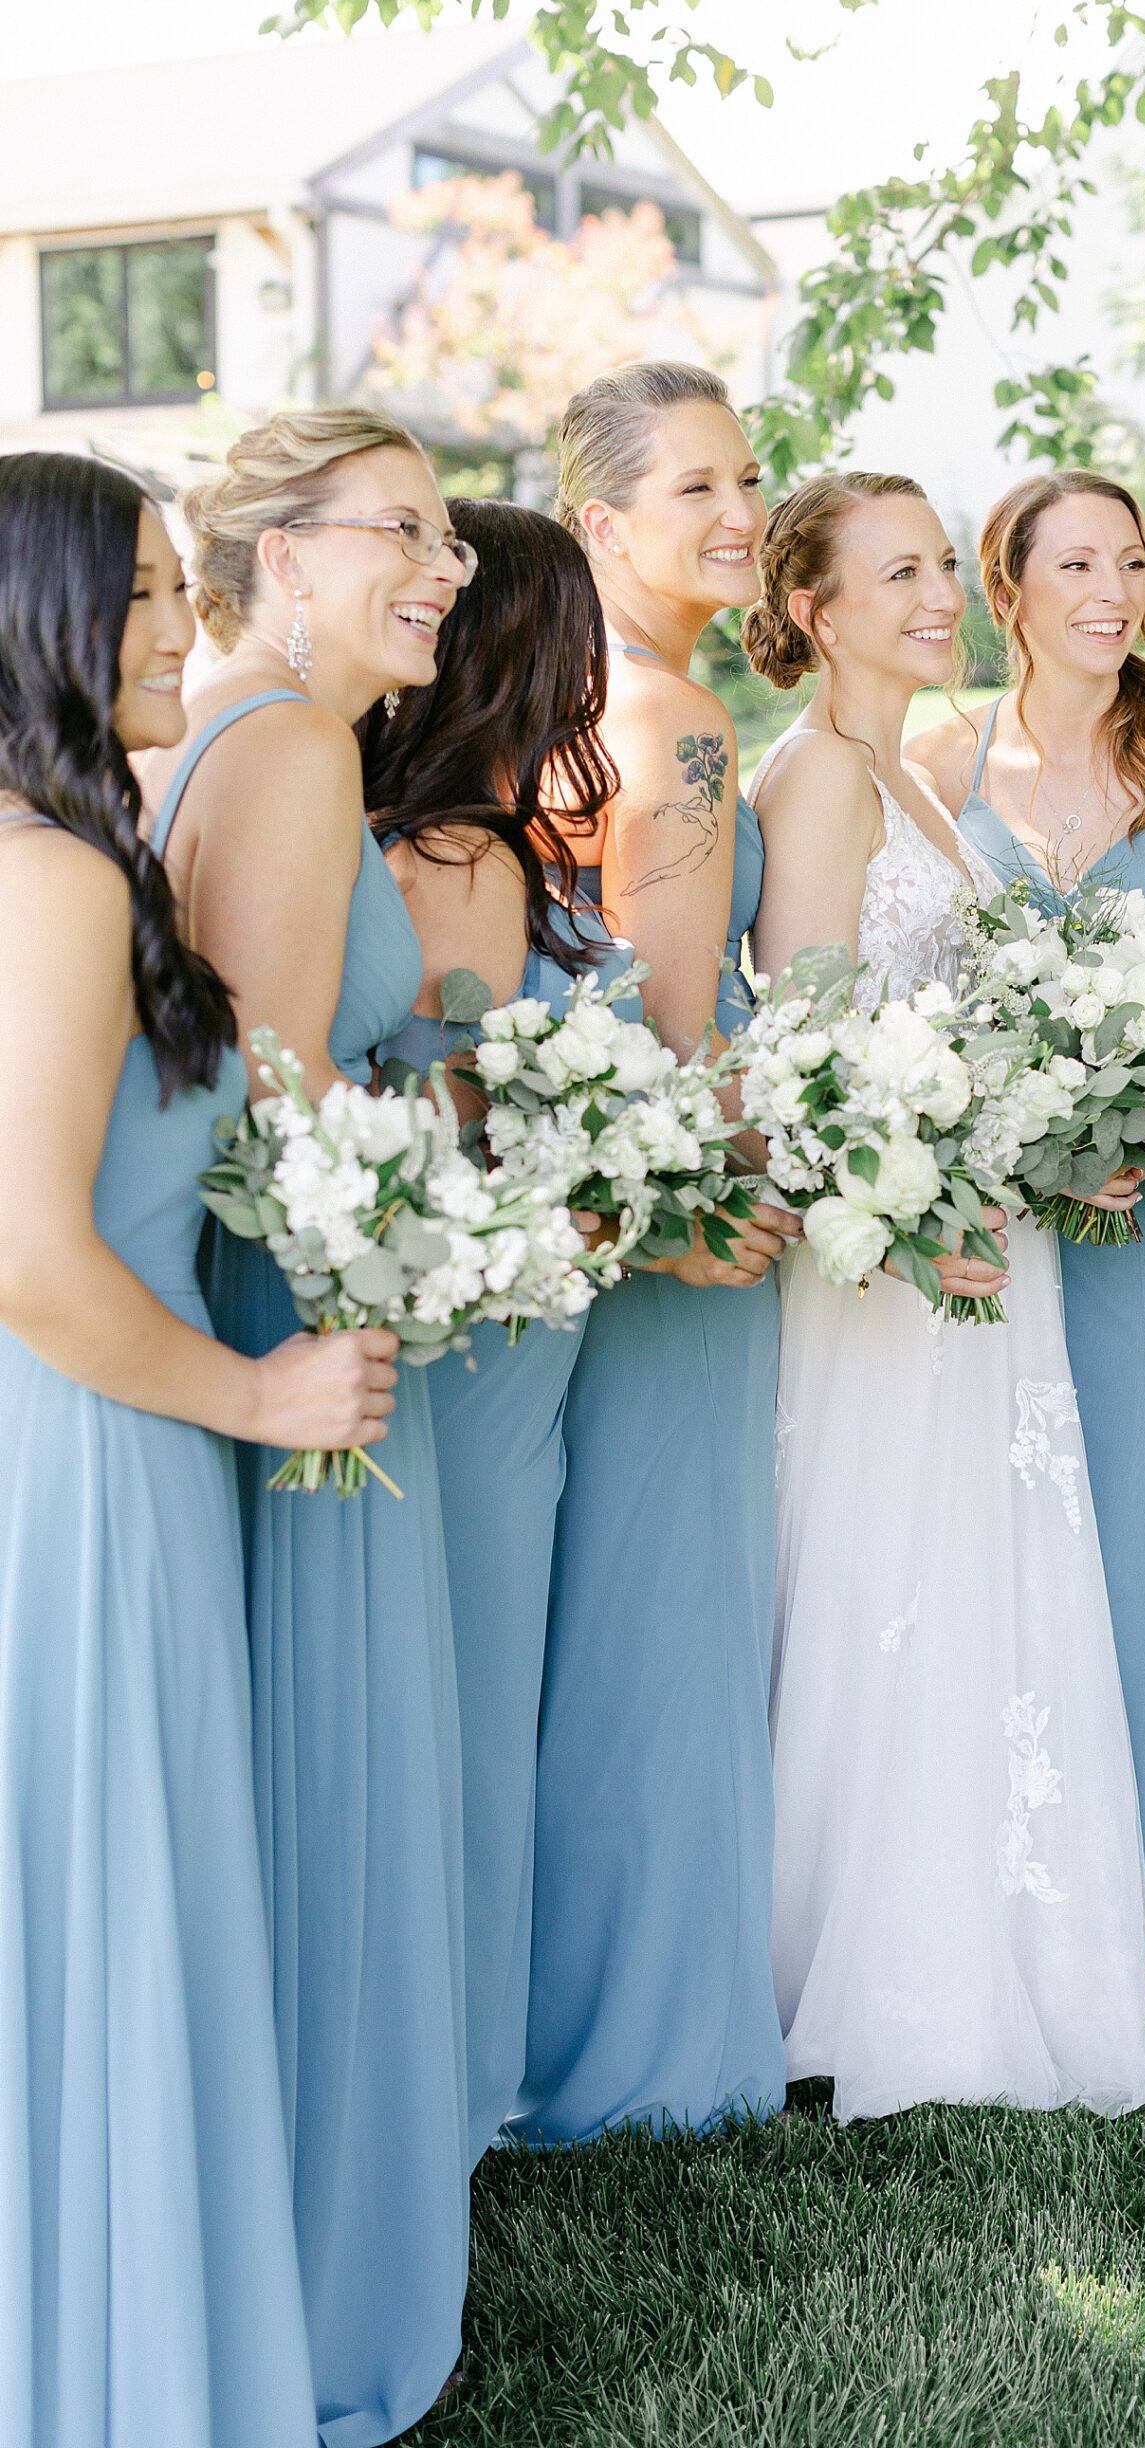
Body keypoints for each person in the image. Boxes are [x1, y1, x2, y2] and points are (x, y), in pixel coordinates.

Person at [0, 451, 393, 2448]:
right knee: (101, 1917)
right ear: (50, 619)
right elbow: (28, 1251)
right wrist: (258, 1394)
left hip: (82, 1448)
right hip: (92, 1457)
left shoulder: (61, 852)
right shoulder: (51, 878)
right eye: (147, 590)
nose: (182, 619)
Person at [138, 408, 475, 2445]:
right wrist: (445, 1202)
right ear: (278, 549)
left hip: (318, 1308)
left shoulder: (258, 734)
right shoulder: (277, 750)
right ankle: (323, 2268)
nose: (442, 566)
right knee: (327, 1766)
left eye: (444, 533)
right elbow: (277, 1126)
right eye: (406, 533)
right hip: (305, 1330)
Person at [747, 469, 1145, 2122]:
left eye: (939, 565)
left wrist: (1047, 1148)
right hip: (903, 1260)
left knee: (981, 1566)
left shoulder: (908, 775)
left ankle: (998, 1939)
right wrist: (919, 1214)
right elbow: (810, 1060)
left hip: (981, 1227)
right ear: (813, 612)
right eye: (895, 570)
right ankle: (878, 1970)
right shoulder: (819, 783)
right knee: (893, 1569)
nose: (935, 593)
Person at [912, 468, 1145, 2034]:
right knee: (1011, 1539)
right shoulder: (935, 756)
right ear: (1005, 588)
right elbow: (910, 988)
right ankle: (1027, 1901)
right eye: (1073, 564)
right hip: (1010, 1214)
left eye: (1129, 562)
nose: (1112, 591)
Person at [514, 361, 794, 2144]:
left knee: (577, 1616)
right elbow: (681, 1030)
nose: (739, 514)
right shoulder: (680, 724)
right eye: (695, 488)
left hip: (561, 1218)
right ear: (601, 523)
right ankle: (656, 2045)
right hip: (671, 1225)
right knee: (664, 1619)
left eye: (747, 479)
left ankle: (556, 2007)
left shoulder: (530, 713)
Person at [362, 496, 622, 2156]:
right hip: (487, 1339)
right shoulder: (457, 856)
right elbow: (463, 1117)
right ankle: (447, 2085)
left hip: (510, 1332)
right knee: (466, 1692)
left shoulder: (455, 835)